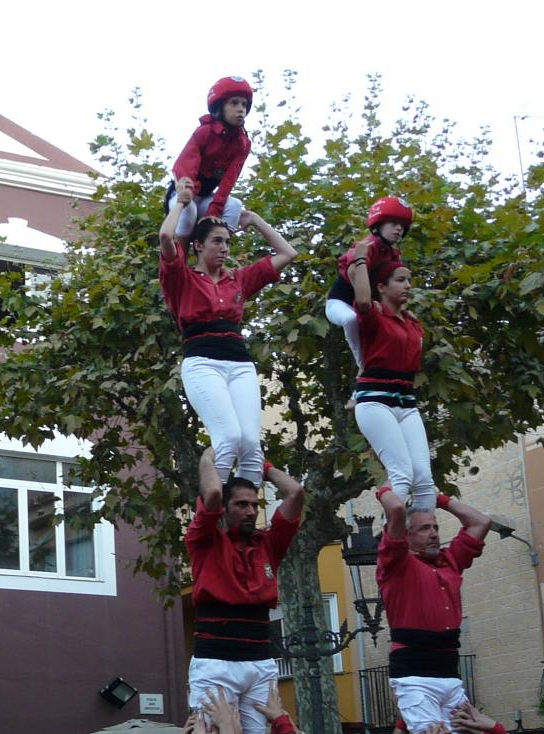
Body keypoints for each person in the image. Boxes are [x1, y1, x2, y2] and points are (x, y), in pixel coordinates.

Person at [159, 198, 296, 487]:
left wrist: (255, 220)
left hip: (240, 364)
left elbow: (288, 252)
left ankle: (245, 508)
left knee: (251, 445)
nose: (224, 248)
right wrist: (181, 203)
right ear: (198, 245)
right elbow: (166, 237)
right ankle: (214, 507)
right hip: (203, 363)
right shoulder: (182, 278)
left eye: (228, 242)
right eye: (217, 241)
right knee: (229, 437)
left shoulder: (238, 280)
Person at [184, 448, 305, 734]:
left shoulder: (268, 544)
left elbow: (295, 493)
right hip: (216, 663)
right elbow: (212, 493)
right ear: (223, 511)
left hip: (259, 663)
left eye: (254, 505)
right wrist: (209, 459)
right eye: (241, 505)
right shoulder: (203, 539)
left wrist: (261, 465)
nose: (251, 511)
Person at [374, 488, 493, 732]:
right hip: (414, 674)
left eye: (436, 528)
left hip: (449, 673)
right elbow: (396, 509)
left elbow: (481, 522)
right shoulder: (396, 564)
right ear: (406, 536)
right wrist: (385, 489)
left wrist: (438, 499)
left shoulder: (450, 561)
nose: (434, 534)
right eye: (424, 528)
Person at [347, 246, 435, 511]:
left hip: (406, 403)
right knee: (402, 474)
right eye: (400, 280)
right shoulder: (373, 315)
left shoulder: (412, 323)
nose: (408, 285)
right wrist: (360, 258)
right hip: (376, 402)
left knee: (424, 479)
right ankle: (393, 533)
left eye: (409, 280)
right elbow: (362, 300)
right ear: (381, 287)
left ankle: (422, 532)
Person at [325, 197, 412, 368]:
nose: (399, 229)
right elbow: (353, 272)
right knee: (350, 319)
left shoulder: (393, 254)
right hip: (341, 303)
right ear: (379, 224)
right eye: (394, 223)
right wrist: (371, 303)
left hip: (369, 306)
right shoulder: (366, 246)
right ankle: (363, 364)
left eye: (402, 226)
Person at [168, 76, 255, 231]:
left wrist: (213, 213)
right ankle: (180, 247)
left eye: (244, 104)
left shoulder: (243, 144)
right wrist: (187, 192)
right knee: (189, 208)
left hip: (206, 198)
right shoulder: (205, 132)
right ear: (220, 106)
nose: (241, 109)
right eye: (234, 103)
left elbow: (228, 181)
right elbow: (184, 167)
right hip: (183, 194)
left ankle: (218, 244)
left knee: (234, 205)